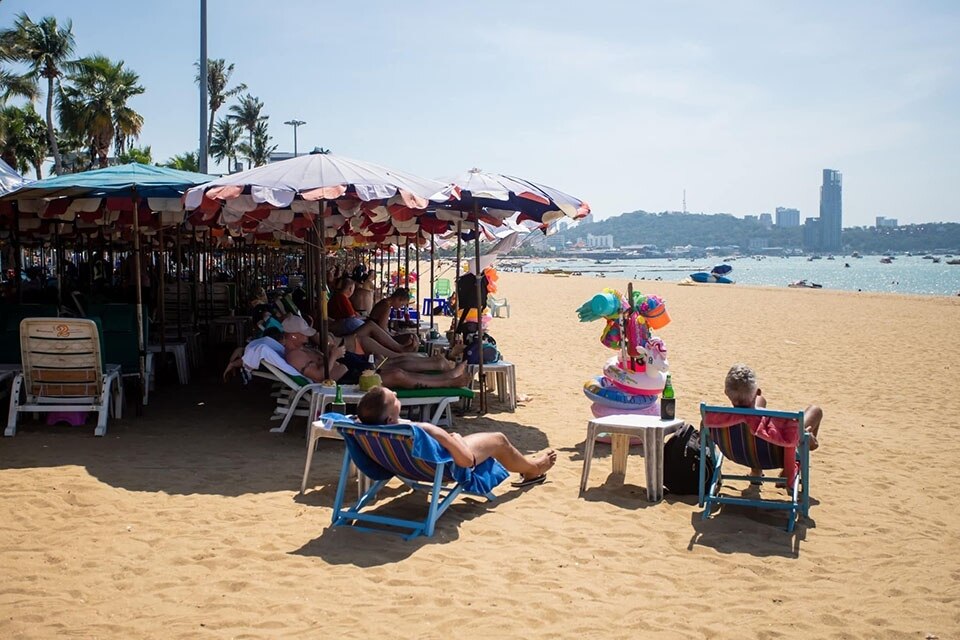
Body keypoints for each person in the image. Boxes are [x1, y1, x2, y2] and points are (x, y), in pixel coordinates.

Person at [356, 386, 556, 485]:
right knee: (499, 440)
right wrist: (456, 439)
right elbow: (467, 461)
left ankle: (530, 468)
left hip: (407, 468)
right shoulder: (424, 429)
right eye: (394, 399)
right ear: (390, 418)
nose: (397, 395)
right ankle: (534, 469)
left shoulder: (366, 429)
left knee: (484, 440)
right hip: (444, 467)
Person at [282, 316, 471, 389]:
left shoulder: (299, 349)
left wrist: (333, 352)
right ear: (292, 336)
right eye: (303, 334)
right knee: (397, 374)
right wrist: (333, 355)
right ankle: (450, 381)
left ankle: (447, 373)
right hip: (345, 381)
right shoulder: (294, 355)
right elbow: (318, 377)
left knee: (392, 366)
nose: (307, 337)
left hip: (350, 371)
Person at [724, 363, 823, 480]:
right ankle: (788, 471)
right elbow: (805, 441)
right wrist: (807, 437)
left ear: (726, 392)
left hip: (739, 455)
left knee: (758, 406)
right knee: (816, 410)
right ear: (758, 392)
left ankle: (756, 472)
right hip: (775, 458)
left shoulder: (716, 420)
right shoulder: (779, 422)